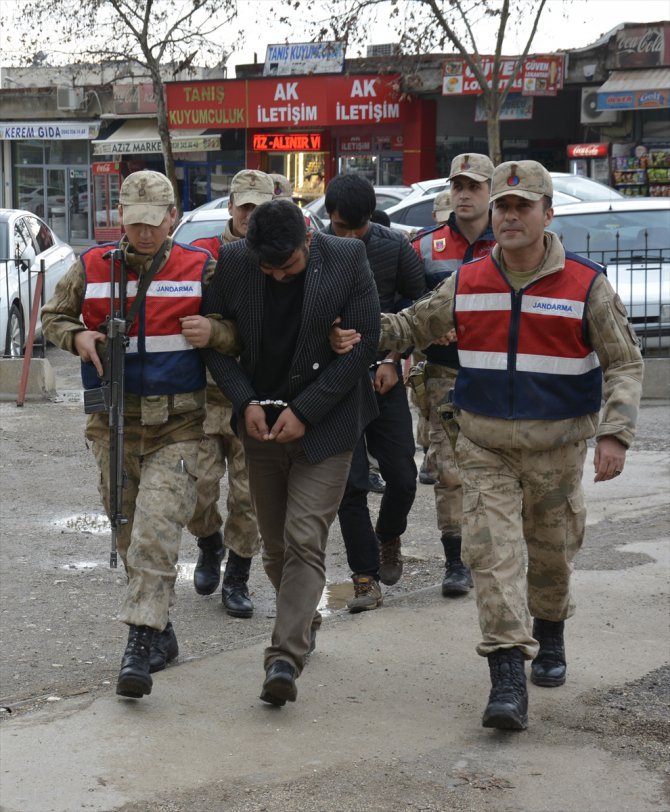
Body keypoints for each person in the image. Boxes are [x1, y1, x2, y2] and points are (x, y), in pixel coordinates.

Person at [377, 160, 643, 730]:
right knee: (493, 558)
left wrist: (614, 434)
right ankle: (505, 678)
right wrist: (350, 325)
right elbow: (409, 328)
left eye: (524, 206)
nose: (511, 215)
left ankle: (550, 635)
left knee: (550, 558)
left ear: (548, 214)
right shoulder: (468, 281)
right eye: (503, 206)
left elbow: (624, 364)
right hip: (485, 447)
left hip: (558, 450)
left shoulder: (585, 283)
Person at [41, 170, 223, 699]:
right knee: (125, 531)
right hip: (114, 423)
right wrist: (78, 336)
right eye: (135, 222)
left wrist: (216, 331)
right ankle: (161, 631)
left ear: (173, 217)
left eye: (155, 223)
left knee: (155, 533)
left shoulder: (199, 268)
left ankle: (138, 646)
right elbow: (54, 316)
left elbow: (236, 330)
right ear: (122, 217)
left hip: (179, 426)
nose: (145, 233)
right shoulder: (93, 265)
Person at [201, 198, 380, 706]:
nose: (278, 276)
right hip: (260, 426)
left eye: (288, 266)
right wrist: (244, 400)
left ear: (307, 240)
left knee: (305, 539)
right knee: (276, 548)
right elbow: (215, 341)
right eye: (268, 268)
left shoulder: (346, 258)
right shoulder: (236, 261)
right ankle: (305, 617)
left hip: (325, 426)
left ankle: (283, 657)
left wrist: (305, 410)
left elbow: (365, 345)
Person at [325, 174, 427, 612]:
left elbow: (419, 305)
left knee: (403, 476)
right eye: (341, 228)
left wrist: (392, 359)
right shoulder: (312, 250)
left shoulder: (394, 247)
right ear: (329, 216)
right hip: (333, 384)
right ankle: (364, 578)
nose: (349, 237)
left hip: (383, 376)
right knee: (350, 488)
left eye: (358, 229)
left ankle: (388, 537)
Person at [185, 169, 273, 618]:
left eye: (260, 209)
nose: (251, 217)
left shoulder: (279, 256)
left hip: (254, 399)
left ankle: (237, 576)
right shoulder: (200, 257)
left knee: (249, 497)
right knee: (197, 489)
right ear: (231, 208)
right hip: (205, 394)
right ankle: (208, 541)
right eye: (245, 208)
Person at [410, 155, 496, 597]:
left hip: (499, 376)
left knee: (497, 472)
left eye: (474, 186)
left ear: (491, 191)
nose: (464, 193)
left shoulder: (510, 243)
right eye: (458, 185)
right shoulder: (425, 246)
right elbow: (405, 307)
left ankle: (496, 549)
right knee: (448, 471)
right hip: (445, 372)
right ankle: (455, 561)